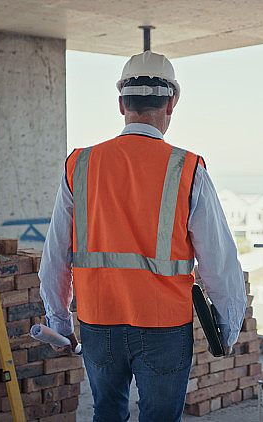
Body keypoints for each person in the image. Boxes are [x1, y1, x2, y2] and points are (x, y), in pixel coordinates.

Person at [39, 50, 246, 421]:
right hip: (164, 326)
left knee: (107, 411)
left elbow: (56, 252)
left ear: (122, 104)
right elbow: (218, 258)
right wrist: (228, 327)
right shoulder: (187, 168)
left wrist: (58, 319)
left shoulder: (80, 164)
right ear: (172, 103)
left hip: (98, 322)